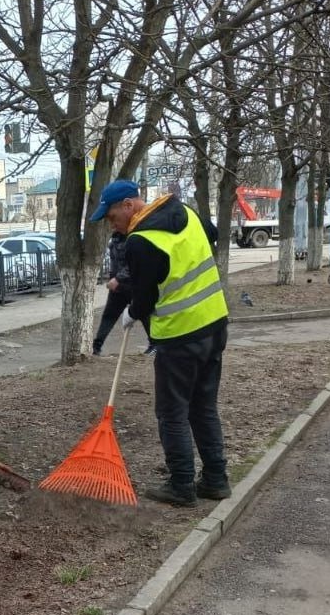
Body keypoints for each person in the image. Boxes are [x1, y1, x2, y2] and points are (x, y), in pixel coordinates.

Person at [90, 179, 230, 507]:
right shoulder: (186, 212)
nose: (113, 224)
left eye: (111, 217)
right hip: (215, 324)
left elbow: (146, 295)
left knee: (172, 413)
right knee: (204, 407)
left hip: (180, 337)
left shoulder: (142, 241)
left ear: (128, 205)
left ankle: (181, 486)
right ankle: (215, 480)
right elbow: (212, 235)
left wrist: (131, 312)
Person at [92, 232, 154, 357]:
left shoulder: (134, 239)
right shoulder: (115, 239)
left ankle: (155, 344)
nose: (112, 225)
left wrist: (118, 279)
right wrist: (113, 278)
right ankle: (96, 346)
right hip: (118, 287)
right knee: (109, 315)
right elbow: (115, 264)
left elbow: (133, 264)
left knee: (144, 314)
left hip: (133, 285)